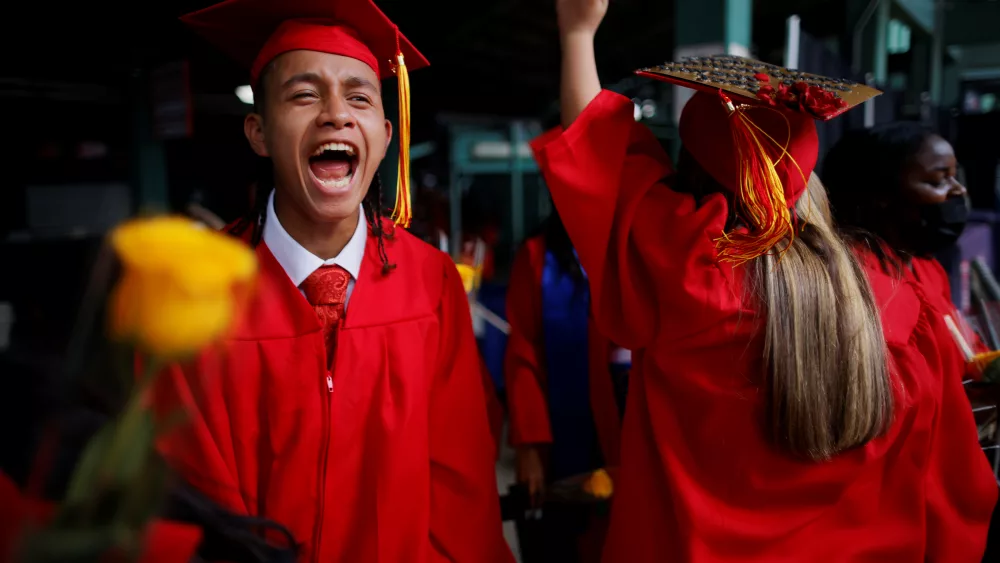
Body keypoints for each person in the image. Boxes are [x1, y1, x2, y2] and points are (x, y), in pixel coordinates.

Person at [530, 0, 996, 560]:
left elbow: (598, 154)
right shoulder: (900, 306)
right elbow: (950, 493)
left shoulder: (683, 271)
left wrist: (577, 32)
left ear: (691, 175)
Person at [151, 1, 512, 562]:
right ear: (259, 132)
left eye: (359, 96)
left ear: (386, 135)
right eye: (304, 94)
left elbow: (460, 483)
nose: (336, 115)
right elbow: (185, 495)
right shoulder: (195, 292)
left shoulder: (431, 281)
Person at [504, 208, 626, 562]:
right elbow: (523, 354)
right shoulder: (538, 257)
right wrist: (529, 447)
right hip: (563, 444)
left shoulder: (636, 248)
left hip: (629, 435)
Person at [824, 123, 988, 370]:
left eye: (955, 176)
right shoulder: (854, 281)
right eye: (937, 181)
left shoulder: (927, 267)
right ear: (880, 194)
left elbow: (965, 351)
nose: (958, 190)